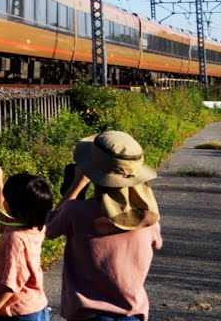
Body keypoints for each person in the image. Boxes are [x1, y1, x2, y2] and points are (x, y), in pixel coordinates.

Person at [45, 131, 163, 321]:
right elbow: (156, 244)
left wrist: (77, 184)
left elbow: (49, 228)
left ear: (92, 171)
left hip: (88, 314)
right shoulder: (148, 220)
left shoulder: (75, 211)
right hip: (132, 313)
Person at [0, 167, 54, 321]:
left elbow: (14, 279)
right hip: (34, 305)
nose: (4, 202)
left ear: (15, 206)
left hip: (19, 311)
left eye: (7, 199)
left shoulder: (15, 238)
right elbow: (3, 216)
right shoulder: (36, 226)